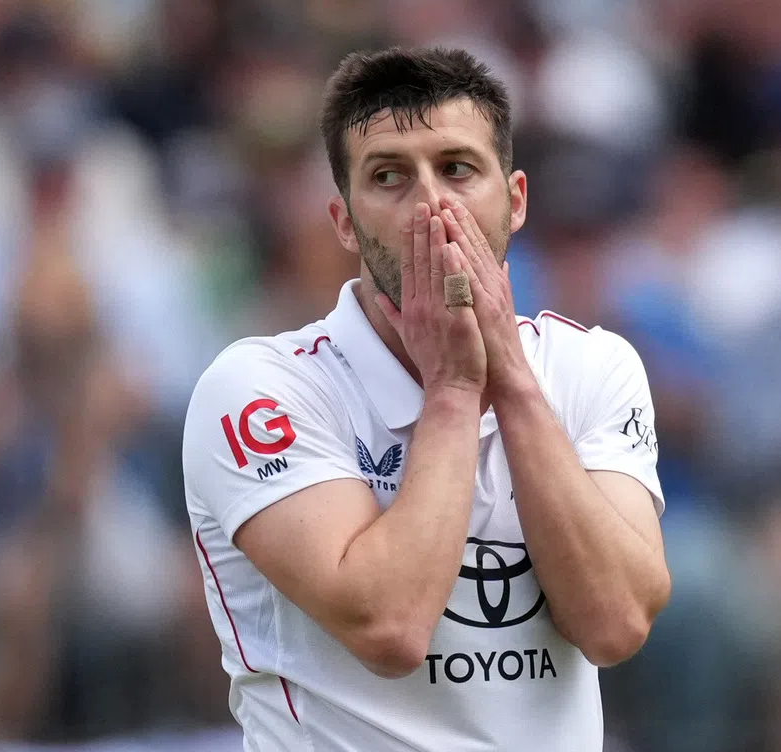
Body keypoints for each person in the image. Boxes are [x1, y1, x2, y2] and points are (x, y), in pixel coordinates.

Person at [181, 46, 671, 751]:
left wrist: (513, 382)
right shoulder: (262, 388)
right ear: (344, 220)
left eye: (458, 168)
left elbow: (617, 623)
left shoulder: (593, 366)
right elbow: (389, 627)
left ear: (517, 198)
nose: (432, 202)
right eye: (388, 176)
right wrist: (453, 389)